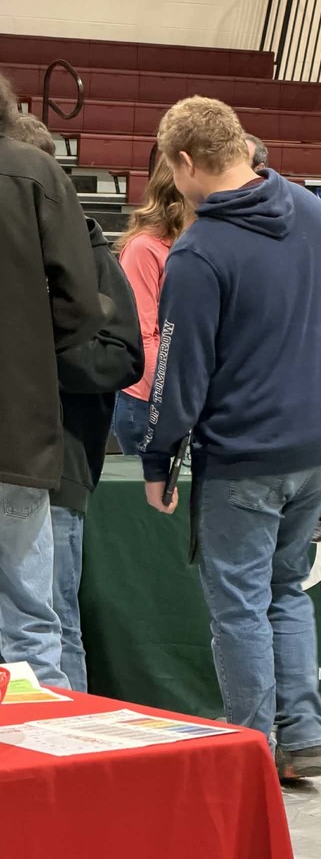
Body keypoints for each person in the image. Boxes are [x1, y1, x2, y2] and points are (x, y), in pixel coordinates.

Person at [140, 96, 321, 782]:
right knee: (286, 591)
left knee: (238, 608)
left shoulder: (199, 253)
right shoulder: (318, 216)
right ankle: (303, 737)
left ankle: (248, 751)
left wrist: (159, 458)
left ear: (186, 162)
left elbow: (177, 372)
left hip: (246, 454)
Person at [10, 113, 144, 692]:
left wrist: (33, 357)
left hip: (58, 463)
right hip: (22, 451)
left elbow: (121, 357)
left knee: (51, 621)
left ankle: (69, 744)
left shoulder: (91, 253)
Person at [0, 74, 103, 687]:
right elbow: (84, 305)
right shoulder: (35, 174)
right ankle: (50, 768)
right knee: (32, 624)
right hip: (19, 425)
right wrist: (36, 347)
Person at [113, 156, 193, 454]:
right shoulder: (143, 248)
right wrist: (171, 398)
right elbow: (143, 336)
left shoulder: (197, 243)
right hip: (148, 402)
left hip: (186, 398)